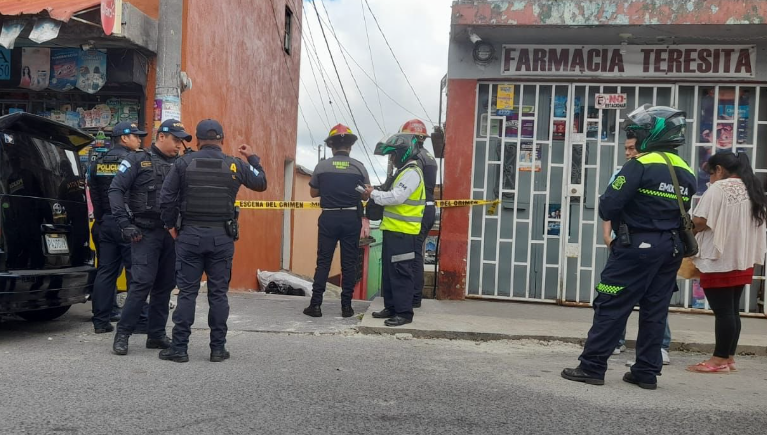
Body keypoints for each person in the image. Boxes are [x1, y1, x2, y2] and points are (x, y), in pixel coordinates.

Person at [562, 104, 696, 390]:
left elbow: (608, 205)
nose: (634, 137)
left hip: (637, 247)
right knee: (655, 310)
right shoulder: (685, 170)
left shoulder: (640, 163)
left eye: (637, 132)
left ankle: (592, 367)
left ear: (651, 134)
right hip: (670, 249)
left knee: (611, 303)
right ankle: (646, 372)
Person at [158, 119, 267, 363]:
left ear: (196, 140)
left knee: (187, 292)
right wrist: (253, 159)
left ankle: (180, 348)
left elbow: (166, 197)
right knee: (218, 294)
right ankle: (218, 349)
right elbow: (261, 182)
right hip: (222, 237)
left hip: (189, 236)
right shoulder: (234, 164)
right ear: (222, 139)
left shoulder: (183, 163)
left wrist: (170, 226)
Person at [110, 120, 192, 355]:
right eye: (175, 140)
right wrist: (124, 223)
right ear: (162, 136)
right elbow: (115, 190)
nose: (179, 145)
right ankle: (123, 333)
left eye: (181, 141)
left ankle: (155, 335)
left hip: (172, 233)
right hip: (144, 231)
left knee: (165, 285)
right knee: (141, 284)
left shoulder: (181, 164)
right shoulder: (136, 159)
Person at [687, 152, 767, 373]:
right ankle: (729, 357)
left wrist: (688, 233)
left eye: (710, 174)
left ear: (719, 170)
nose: (709, 180)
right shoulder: (752, 188)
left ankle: (718, 360)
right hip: (742, 257)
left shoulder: (719, 189)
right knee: (732, 310)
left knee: (723, 311)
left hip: (719, 258)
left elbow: (700, 220)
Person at [602, 132, 673, 365]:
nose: (628, 152)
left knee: (626, 299)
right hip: (651, 244)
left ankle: (658, 348)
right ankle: (622, 347)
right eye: (626, 148)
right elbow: (610, 204)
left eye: (632, 148)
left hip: (638, 245)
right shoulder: (678, 171)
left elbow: (608, 205)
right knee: (651, 302)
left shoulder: (646, 169)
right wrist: (607, 235)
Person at [303, 124, 369, 319]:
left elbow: (313, 192)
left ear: (332, 146)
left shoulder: (322, 166)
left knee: (323, 262)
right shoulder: (359, 167)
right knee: (348, 263)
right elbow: (365, 196)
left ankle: (315, 306)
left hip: (329, 217)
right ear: (350, 146)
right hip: (351, 218)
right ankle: (346, 308)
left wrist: (328, 188)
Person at [88, 122, 148, 334]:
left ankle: (100, 321)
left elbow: (95, 195)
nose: (139, 140)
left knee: (105, 271)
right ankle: (139, 321)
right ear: (124, 138)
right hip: (129, 224)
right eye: (135, 136)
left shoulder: (98, 162)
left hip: (105, 222)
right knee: (135, 272)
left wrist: (102, 218)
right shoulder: (133, 161)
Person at [365, 133, 425, 327]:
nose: (391, 159)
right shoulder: (404, 171)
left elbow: (397, 197)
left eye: (393, 155)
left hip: (404, 232)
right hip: (393, 230)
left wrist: (373, 194)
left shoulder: (412, 172)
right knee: (390, 273)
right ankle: (391, 307)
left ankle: (404, 313)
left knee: (401, 273)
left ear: (402, 152)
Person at [399, 119, 438, 309]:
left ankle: (414, 298)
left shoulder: (415, 159)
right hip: (429, 208)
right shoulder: (429, 156)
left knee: (413, 254)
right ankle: (415, 296)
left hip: (420, 209)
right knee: (417, 253)